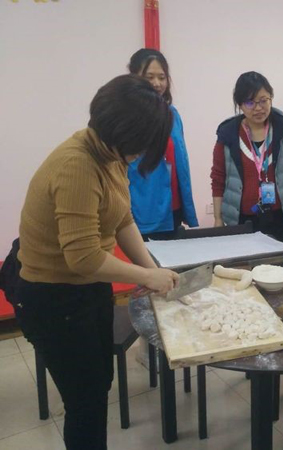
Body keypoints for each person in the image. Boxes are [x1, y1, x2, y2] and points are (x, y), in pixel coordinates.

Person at [15, 74, 180, 450]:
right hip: (54, 298)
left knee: (97, 384)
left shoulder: (109, 153)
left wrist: (151, 270)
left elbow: (122, 218)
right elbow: (83, 256)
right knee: (85, 403)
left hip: (87, 287)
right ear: (121, 132)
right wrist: (146, 276)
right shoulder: (78, 165)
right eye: (139, 145)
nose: (140, 153)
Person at [210, 71, 283, 244]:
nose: (258, 108)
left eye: (263, 100)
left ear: (271, 99)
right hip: (243, 218)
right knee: (248, 261)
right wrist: (218, 218)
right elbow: (218, 178)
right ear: (240, 105)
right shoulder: (227, 134)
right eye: (250, 102)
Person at [127, 48, 198, 240]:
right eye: (149, 77)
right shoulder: (127, 116)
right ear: (134, 77)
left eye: (162, 77)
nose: (157, 83)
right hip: (143, 210)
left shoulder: (172, 114)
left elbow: (181, 162)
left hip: (173, 207)